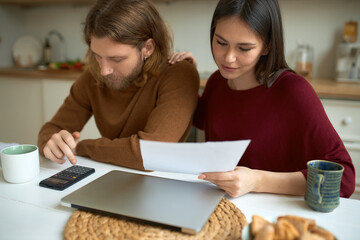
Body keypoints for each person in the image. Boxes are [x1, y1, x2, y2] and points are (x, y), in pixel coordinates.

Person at [168, 0, 355, 198]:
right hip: (220, 210)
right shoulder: (217, 81)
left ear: (267, 46)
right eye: (221, 42)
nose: (228, 58)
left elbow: (345, 179)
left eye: (244, 48)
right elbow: (201, 118)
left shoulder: (293, 91)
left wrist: (257, 181)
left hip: (275, 219)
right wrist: (184, 76)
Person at [37, 0, 199, 170]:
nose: (104, 70)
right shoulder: (93, 75)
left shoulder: (178, 73)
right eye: (98, 56)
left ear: (147, 48)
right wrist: (52, 142)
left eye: (117, 59)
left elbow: (152, 153)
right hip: (112, 173)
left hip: (165, 180)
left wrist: (81, 147)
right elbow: (51, 129)